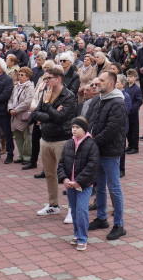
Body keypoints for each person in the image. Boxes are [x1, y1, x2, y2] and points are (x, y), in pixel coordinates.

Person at [29, 66, 77, 216]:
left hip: (62, 139)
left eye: (49, 78)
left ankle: (72, 209)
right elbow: (35, 113)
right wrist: (51, 113)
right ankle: (53, 204)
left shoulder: (68, 96)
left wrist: (47, 105)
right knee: (50, 174)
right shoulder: (45, 92)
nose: (46, 81)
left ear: (59, 79)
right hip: (45, 138)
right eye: (45, 78)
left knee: (68, 174)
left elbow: (61, 118)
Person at [86, 71, 128, 240]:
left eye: (101, 81)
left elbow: (112, 129)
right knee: (100, 186)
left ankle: (119, 224)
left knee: (114, 187)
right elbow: (89, 120)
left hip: (110, 152)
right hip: (97, 150)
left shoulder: (117, 102)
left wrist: (93, 142)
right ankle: (101, 218)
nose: (97, 84)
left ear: (111, 84)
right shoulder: (98, 99)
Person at [57, 117, 98, 251]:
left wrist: (78, 181)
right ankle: (77, 233)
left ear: (84, 129)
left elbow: (92, 166)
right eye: (73, 127)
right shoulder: (69, 143)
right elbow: (61, 163)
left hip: (84, 185)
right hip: (70, 184)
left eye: (77, 127)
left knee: (81, 210)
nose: (74, 130)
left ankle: (82, 237)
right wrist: (64, 178)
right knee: (74, 210)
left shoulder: (91, 144)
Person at [9, 67, 35, 166]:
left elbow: (28, 102)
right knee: (18, 136)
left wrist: (16, 110)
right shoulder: (16, 86)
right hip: (15, 115)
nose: (19, 77)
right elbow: (11, 99)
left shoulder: (30, 87)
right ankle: (20, 155)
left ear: (27, 77)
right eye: (19, 75)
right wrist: (10, 109)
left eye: (22, 75)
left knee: (27, 137)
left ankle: (27, 157)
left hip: (24, 115)